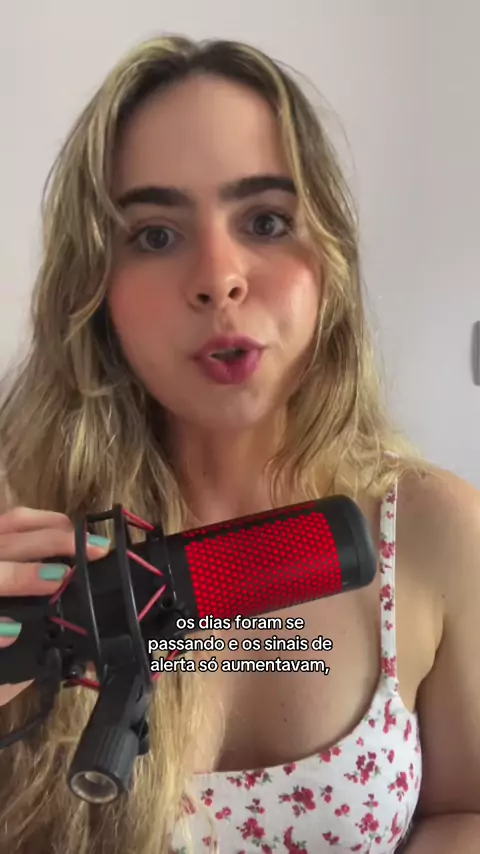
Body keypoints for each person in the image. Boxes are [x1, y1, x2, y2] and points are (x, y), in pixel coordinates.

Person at [0, 33, 479, 854]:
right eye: (155, 234)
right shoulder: (16, 517)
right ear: (95, 285)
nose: (219, 278)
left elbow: (466, 811)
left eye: (266, 221)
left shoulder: (437, 529)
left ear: (330, 256)